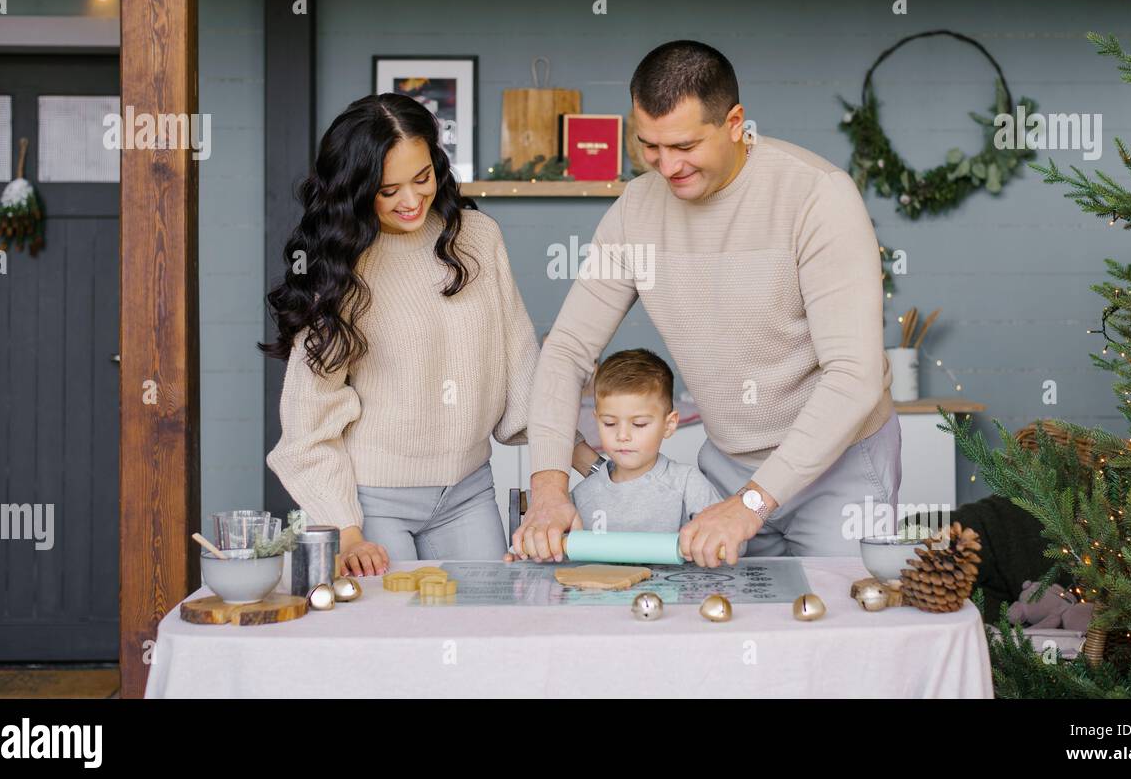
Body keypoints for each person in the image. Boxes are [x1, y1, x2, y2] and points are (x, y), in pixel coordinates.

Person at [511, 40, 902, 567]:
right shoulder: (635, 214)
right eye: (649, 145)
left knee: (840, 620)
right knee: (727, 625)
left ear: (735, 122)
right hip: (727, 467)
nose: (666, 166)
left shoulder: (818, 197)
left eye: (685, 145)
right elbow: (566, 350)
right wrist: (549, 487)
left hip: (839, 463)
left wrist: (752, 505)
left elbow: (853, 375)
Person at [261, 92, 595, 576]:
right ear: (354, 189)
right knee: (397, 640)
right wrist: (346, 530)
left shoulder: (478, 237)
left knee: (485, 629)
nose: (412, 200)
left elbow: (520, 361)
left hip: (469, 489)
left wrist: (577, 453)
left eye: (422, 178)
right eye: (388, 189)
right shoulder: (340, 268)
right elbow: (308, 420)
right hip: (373, 503)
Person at [569, 349, 721, 534]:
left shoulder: (688, 485)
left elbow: (732, 540)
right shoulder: (581, 495)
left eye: (639, 424)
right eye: (609, 423)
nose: (622, 435)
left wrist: (712, 538)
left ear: (669, 425)